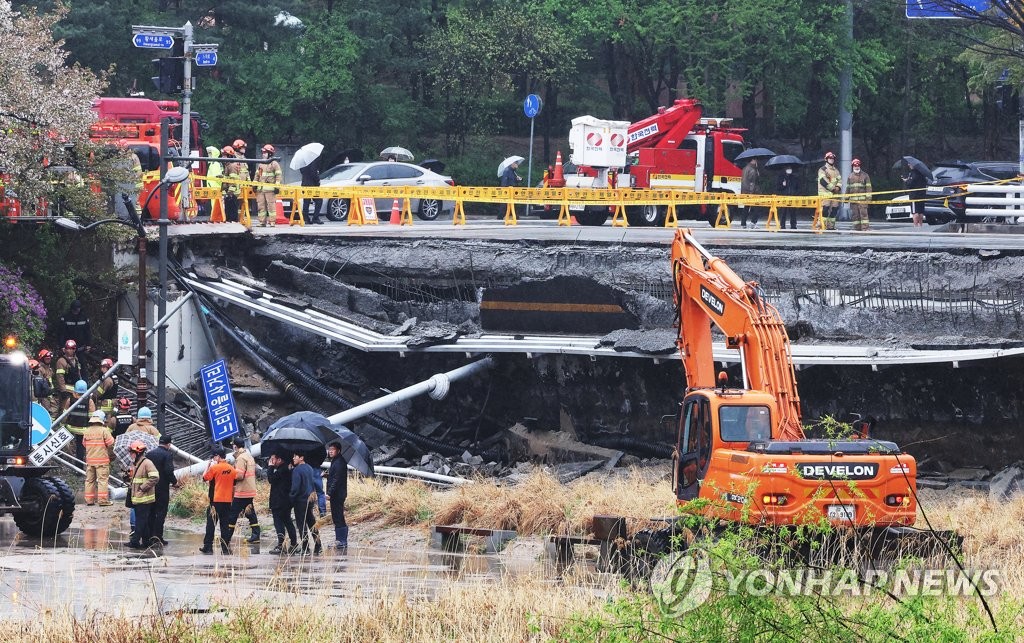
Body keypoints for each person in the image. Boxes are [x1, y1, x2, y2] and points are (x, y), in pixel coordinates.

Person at [200, 446, 236, 555]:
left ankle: (208, 547)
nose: (214, 459)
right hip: (227, 501)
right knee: (225, 525)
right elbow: (234, 483)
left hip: (215, 501)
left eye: (214, 457)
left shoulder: (215, 468)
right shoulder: (232, 469)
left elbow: (204, 478)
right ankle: (225, 548)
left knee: (211, 524)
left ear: (218, 456)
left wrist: (208, 466)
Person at [126, 440, 159, 549]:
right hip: (137, 498)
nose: (130, 454)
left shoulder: (147, 463)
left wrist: (142, 488)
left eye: (132, 452)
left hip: (144, 498)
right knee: (143, 521)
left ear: (138, 452)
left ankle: (135, 541)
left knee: (140, 521)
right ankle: (146, 542)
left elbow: (155, 477)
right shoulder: (136, 464)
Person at [228, 435, 261, 544]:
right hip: (250, 489)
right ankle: (256, 535)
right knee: (250, 512)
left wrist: (231, 475)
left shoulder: (241, 458)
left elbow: (240, 476)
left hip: (242, 491)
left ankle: (227, 537)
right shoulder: (249, 456)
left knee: (232, 514)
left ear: (235, 447)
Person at [146, 434, 178, 545]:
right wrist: (175, 482)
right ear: (169, 444)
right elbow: (168, 471)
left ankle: (149, 535)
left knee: (151, 512)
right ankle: (157, 537)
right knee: (161, 513)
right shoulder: (167, 455)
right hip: (162, 488)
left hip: (150, 487)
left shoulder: (149, 454)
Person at [290, 451, 322, 555]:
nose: (293, 458)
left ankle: (306, 548)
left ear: (301, 458)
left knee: (301, 524)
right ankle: (318, 545)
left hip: (300, 500)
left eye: (296, 456)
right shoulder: (309, 468)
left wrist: (291, 498)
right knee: (311, 522)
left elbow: (295, 487)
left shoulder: (297, 470)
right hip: (310, 499)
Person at [266, 452, 298, 555]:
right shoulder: (287, 469)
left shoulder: (282, 470)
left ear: (279, 460)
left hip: (279, 501)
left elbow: (271, 479)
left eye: (273, 459)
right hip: (286, 501)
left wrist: (270, 467)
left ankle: (281, 545)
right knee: (288, 522)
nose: (271, 461)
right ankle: (293, 543)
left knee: (279, 523)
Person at [82, 410, 114, 506]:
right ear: (102, 420)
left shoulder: (87, 431)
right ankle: (103, 500)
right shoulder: (104, 430)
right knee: (102, 480)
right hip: (102, 461)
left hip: (90, 460)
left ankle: (89, 500)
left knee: (89, 480)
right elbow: (111, 443)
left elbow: (84, 444)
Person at [325, 441, 349, 551]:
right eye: (329, 449)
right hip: (337, 493)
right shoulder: (336, 461)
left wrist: (329, 492)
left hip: (337, 494)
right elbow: (334, 476)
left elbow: (337, 479)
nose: (330, 451)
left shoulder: (339, 462)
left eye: (332, 449)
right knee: (336, 516)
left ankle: (342, 540)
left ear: (338, 450)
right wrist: (327, 475)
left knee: (338, 516)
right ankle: (339, 540)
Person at [65, 379, 94, 462]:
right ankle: (79, 466)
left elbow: (65, 414)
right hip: (83, 429)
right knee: (80, 448)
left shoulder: (70, 400)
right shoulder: (89, 401)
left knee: (69, 444)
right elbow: (92, 417)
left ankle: (69, 460)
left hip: (70, 427)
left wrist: (62, 425)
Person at [254, 144, 282, 227]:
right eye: (263, 152)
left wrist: (277, 187)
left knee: (271, 206)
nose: (263, 154)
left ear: (270, 153)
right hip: (261, 190)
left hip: (270, 189)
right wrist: (254, 184)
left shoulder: (274, 164)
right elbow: (257, 175)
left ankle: (272, 222)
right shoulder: (261, 164)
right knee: (261, 206)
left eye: (265, 152)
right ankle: (262, 222)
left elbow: (278, 176)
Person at [54, 339, 82, 411]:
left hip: (75, 391)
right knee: (64, 410)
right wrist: (63, 391)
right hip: (66, 391)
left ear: (74, 349)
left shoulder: (76, 360)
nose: (69, 350)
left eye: (72, 349)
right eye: (68, 348)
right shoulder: (61, 361)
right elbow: (60, 377)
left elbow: (78, 374)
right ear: (65, 349)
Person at [817, 152, 842, 230]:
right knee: (825, 210)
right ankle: (821, 226)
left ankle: (831, 226)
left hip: (834, 194)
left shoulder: (836, 170)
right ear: (826, 159)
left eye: (832, 159)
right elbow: (823, 181)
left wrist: (838, 187)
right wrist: (833, 188)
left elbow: (840, 180)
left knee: (834, 210)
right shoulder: (822, 169)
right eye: (830, 158)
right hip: (825, 194)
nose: (831, 160)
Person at [846, 158, 872, 231]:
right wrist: (846, 198)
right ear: (853, 166)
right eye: (855, 166)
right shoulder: (850, 176)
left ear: (860, 166)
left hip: (863, 201)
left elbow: (868, 188)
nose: (856, 167)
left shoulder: (865, 176)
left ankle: (865, 229)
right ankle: (857, 229)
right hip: (853, 202)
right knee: (855, 216)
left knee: (864, 216)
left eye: (858, 165)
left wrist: (868, 198)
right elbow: (848, 188)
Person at [740, 158, 764, 229]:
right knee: (757, 207)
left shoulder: (744, 169)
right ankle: (753, 222)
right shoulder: (753, 170)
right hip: (753, 192)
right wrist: (752, 192)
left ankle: (743, 223)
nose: (757, 162)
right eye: (756, 160)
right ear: (753, 160)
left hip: (745, 191)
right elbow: (752, 183)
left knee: (746, 207)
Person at [903, 161, 929, 227]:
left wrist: (906, 181)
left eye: (910, 163)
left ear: (914, 165)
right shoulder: (923, 174)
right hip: (922, 195)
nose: (909, 165)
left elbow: (910, 184)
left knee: (915, 212)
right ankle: (920, 225)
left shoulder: (913, 174)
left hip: (914, 196)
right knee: (921, 212)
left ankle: (915, 226)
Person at [221, 145, 242, 224]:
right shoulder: (228, 165)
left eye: (224, 155)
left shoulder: (232, 166)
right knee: (229, 211)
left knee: (232, 212)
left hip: (232, 193)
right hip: (230, 192)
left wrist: (230, 192)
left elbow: (233, 180)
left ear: (229, 155)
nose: (223, 157)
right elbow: (228, 178)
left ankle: (233, 224)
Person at [32, 350, 56, 416]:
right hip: (43, 396)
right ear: (42, 359)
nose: (48, 360)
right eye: (46, 359)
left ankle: (52, 425)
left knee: (53, 411)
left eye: (49, 359)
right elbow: (38, 384)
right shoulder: (39, 369)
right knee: (45, 411)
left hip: (50, 393)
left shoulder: (49, 369)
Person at [300, 159, 323, 225]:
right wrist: (318, 181)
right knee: (319, 200)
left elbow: (302, 171)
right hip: (312, 185)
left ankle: (306, 219)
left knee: (306, 202)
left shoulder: (302, 162)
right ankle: (315, 218)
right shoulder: (312, 160)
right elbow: (314, 173)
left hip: (304, 183)